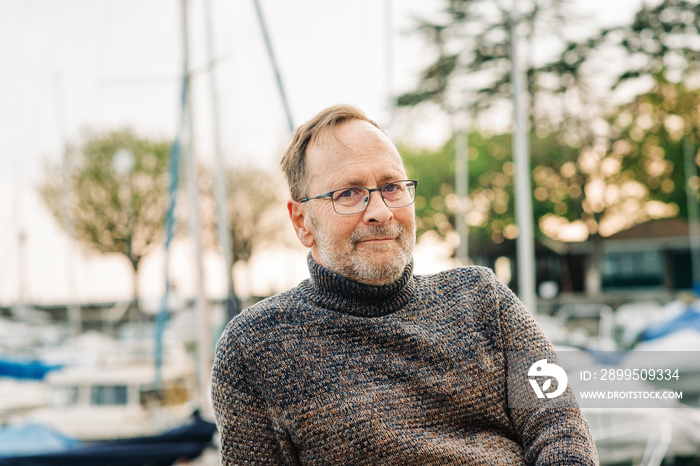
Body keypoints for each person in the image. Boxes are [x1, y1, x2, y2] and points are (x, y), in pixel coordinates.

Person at [211, 104, 599, 465]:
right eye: (349, 193)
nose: (380, 211)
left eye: (392, 187)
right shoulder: (254, 347)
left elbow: (559, 426)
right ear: (302, 222)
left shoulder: (483, 298)